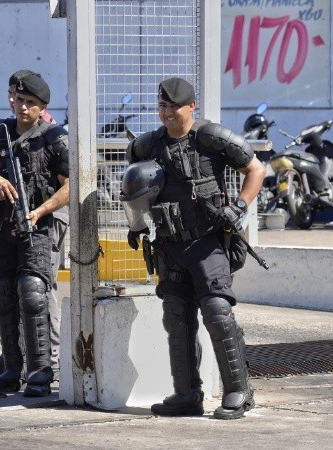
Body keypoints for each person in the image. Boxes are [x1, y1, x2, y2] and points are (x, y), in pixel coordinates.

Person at [123, 77, 266, 420]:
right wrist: (137, 225)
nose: (167, 113)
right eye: (162, 106)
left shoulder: (211, 138)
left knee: (217, 312)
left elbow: (255, 169)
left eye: (174, 107)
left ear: (192, 106)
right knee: (177, 319)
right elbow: (132, 185)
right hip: (170, 245)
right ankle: (186, 395)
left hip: (208, 242)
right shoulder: (147, 145)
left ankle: (238, 391)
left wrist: (240, 207)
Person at [0, 72, 69, 397]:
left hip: (38, 227)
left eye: (30, 103)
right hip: (0, 227)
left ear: (42, 107)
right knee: (4, 295)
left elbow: (70, 185)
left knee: (33, 292)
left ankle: (40, 374)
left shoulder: (53, 138)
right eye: (19, 100)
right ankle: (11, 369)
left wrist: (41, 210)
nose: (22, 107)